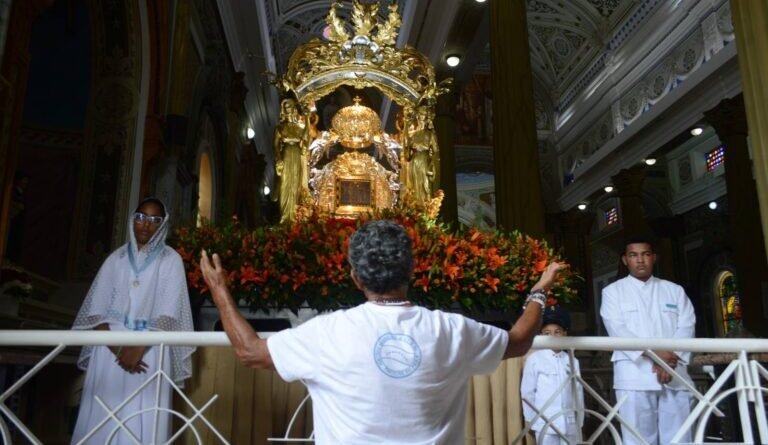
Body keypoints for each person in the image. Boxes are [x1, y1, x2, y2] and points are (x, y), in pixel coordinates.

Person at [200, 219, 563, 444]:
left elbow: (249, 351)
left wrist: (219, 290)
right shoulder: (450, 330)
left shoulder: (327, 332)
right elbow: (519, 340)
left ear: (356, 278)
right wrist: (539, 289)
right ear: (412, 271)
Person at [71, 197, 195, 444]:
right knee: (103, 415)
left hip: (149, 351)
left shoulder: (171, 260)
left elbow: (169, 313)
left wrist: (139, 348)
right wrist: (119, 349)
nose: (145, 225)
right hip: (109, 351)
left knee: (144, 418)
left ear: (163, 224)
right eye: (141, 217)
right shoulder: (115, 259)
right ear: (132, 220)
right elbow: (96, 312)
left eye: (154, 220)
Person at [600, 235, 696, 445]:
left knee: (680, 437)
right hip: (635, 374)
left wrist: (669, 359)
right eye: (633, 255)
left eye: (645, 254)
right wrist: (656, 355)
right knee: (637, 438)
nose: (640, 260)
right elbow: (618, 330)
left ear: (654, 257)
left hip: (673, 371)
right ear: (625, 260)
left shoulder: (674, 291)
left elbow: (687, 326)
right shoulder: (612, 292)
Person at [521, 306, 584, 445]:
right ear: (541, 335)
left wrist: (579, 420)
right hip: (545, 421)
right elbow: (527, 392)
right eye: (547, 332)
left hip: (569, 423)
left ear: (565, 333)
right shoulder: (535, 359)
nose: (552, 336)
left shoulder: (572, 360)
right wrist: (531, 419)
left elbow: (578, 391)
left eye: (557, 332)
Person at [273, 97, 311, 223]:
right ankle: (284, 217)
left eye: (290, 107)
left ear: (294, 109)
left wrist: (307, 117)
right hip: (286, 156)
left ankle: (294, 217)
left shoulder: (299, 128)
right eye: (285, 107)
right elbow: (275, 146)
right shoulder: (280, 128)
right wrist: (278, 158)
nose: (288, 109)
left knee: (296, 185)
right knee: (285, 185)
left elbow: (306, 138)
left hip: (297, 157)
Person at [406, 105, 439, 204]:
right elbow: (408, 154)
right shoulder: (414, 134)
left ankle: (425, 205)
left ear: (427, 116)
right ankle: (415, 205)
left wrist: (432, 164)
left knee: (425, 184)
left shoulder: (430, 134)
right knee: (414, 184)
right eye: (420, 114)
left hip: (424, 159)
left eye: (424, 114)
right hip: (414, 160)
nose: (421, 116)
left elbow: (435, 151)